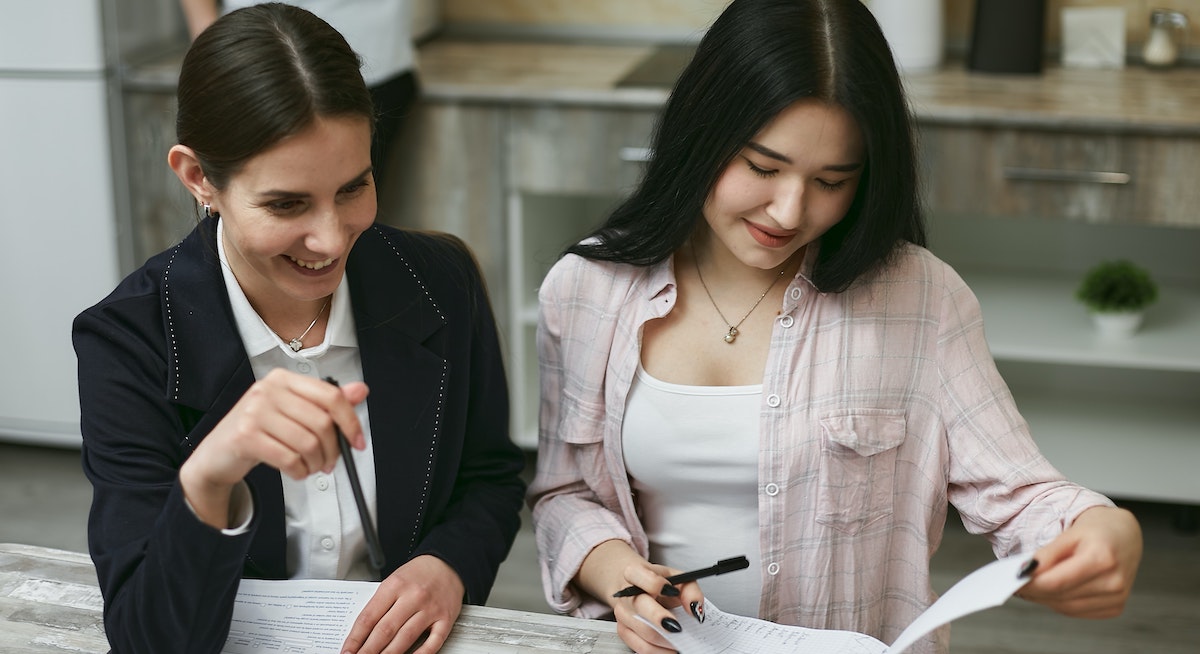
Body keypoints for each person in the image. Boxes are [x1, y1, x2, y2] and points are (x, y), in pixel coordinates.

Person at [526, 1, 1143, 653]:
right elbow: (563, 493)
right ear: (699, 133)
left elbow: (1022, 496)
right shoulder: (585, 289)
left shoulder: (921, 299)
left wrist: (1103, 526)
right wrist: (620, 575)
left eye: (830, 180)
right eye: (762, 167)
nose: (789, 211)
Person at [73, 5, 524, 654]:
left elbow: (489, 475)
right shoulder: (127, 340)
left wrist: (447, 565)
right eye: (287, 204)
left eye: (353, 188)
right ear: (198, 178)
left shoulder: (440, 281)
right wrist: (209, 479)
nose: (331, 237)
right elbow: (149, 638)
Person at [179, 0, 418, 184]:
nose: (329, 239)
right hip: (249, 61)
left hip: (376, 50)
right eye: (284, 204)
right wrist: (210, 47)